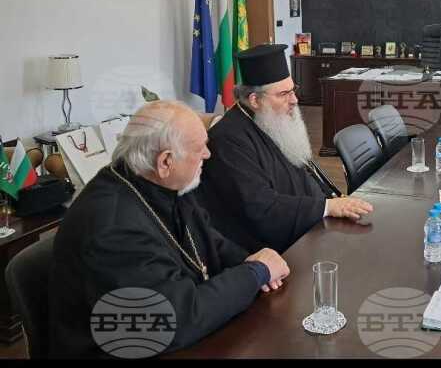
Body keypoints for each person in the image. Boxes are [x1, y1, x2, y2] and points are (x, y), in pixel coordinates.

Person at [49, 101, 290, 358]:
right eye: (200, 148)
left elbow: (209, 241)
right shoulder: (112, 227)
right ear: (165, 161)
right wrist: (255, 273)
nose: (208, 154)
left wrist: (251, 261)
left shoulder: (159, 182)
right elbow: (171, 320)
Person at [197, 44, 373, 254]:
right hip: (270, 250)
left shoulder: (271, 121)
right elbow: (259, 207)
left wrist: (333, 200)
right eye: (283, 94)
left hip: (310, 226)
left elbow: (304, 173)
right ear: (255, 100)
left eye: (293, 90)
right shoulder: (227, 140)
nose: (294, 100)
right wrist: (326, 207)